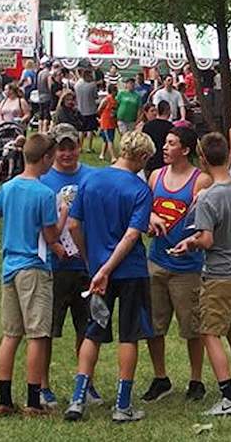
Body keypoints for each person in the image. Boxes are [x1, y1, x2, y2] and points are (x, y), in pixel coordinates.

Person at [63, 131, 156, 423]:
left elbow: (74, 224)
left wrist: (94, 263)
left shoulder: (90, 180)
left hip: (97, 272)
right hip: (130, 272)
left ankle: (77, 399)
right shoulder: (140, 190)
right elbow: (131, 235)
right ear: (141, 157)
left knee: (93, 329)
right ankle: (122, 404)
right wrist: (108, 268)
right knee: (129, 334)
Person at [169, 132, 231, 417]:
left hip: (219, 273)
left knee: (209, 333)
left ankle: (229, 397)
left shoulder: (209, 198)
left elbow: (206, 240)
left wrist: (190, 242)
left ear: (203, 158)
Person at [0, 133, 65, 417]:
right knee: (38, 335)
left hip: (9, 267)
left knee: (11, 334)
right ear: (45, 158)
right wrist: (63, 214)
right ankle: (33, 401)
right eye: (52, 157)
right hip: (34, 267)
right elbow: (50, 234)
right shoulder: (44, 194)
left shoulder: (9, 186)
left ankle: (4, 399)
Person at [142, 126, 212, 403]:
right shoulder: (155, 176)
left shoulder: (201, 180)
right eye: (166, 143)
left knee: (192, 327)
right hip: (156, 261)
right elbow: (145, 209)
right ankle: (161, 378)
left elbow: (207, 223)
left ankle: (196, 381)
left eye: (171, 144)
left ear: (185, 149)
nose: (165, 148)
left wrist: (192, 241)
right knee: (154, 325)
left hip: (187, 267)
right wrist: (150, 220)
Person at [39, 123, 101, 409]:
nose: (67, 153)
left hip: (86, 264)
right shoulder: (42, 179)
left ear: (79, 146)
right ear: (53, 150)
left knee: (87, 327)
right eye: (61, 148)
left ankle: (85, 383)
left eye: (71, 147)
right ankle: (42, 385)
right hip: (52, 265)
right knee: (47, 329)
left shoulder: (92, 176)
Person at [141, 101, 174, 175]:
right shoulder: (171, 127)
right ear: (168, 110)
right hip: (164, 163)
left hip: (150, 162)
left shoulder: (147, 126)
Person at [73, 70, 99, 150]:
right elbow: (95, 96)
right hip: (91, 110)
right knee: (90, 130)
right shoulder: (92, 85)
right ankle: (89, 147)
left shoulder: (77, 84)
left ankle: (80, 147)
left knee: (81, 130)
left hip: (80, 109)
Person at [96, 84, 119, 162]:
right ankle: (113, 157)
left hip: (112, 123)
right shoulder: (106, 100)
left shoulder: (115, 101)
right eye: (115, 90)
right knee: (110, 140)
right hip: (106, 123)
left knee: (106, 140)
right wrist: (100, 118)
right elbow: (99, 109)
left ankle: (102, 154)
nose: (116, 92)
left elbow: (115, 113)